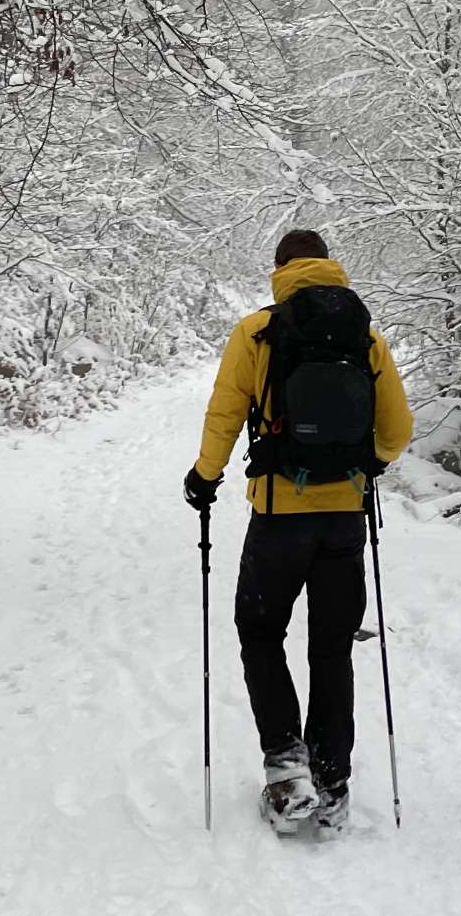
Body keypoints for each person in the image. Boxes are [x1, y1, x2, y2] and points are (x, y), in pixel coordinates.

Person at [183, 229, 412, 834]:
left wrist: (205, 478)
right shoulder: (365, 336)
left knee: (259, 630)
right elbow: (397, 428)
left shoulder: (256, 332)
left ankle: (287, 771)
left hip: (280, 516)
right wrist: (371, 466)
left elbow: (225, 412)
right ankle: (333, 782)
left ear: (279, 270)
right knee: (332, 648)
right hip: (344, 521)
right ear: (331, 267)